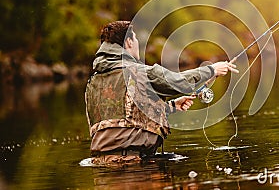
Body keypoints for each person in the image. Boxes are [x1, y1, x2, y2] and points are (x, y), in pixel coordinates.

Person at [85, 21, 238, 165]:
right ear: (129, 42)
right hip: (131, 163)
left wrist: (169, 106)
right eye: (136, 39)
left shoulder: (92, 83)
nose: (138, 44)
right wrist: (212, 70)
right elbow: (178, 82)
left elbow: (123, 114)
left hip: (101, 164)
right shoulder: (137, 72)